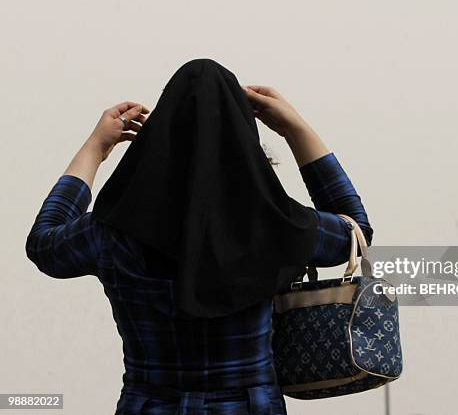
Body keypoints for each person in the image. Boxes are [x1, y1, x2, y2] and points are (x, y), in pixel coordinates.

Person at [25, 59, 373, 414]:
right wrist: (295, 129)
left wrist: (95, 149)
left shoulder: (109, 231)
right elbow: (356, 230)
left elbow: (43, 244)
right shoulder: (280, 224)